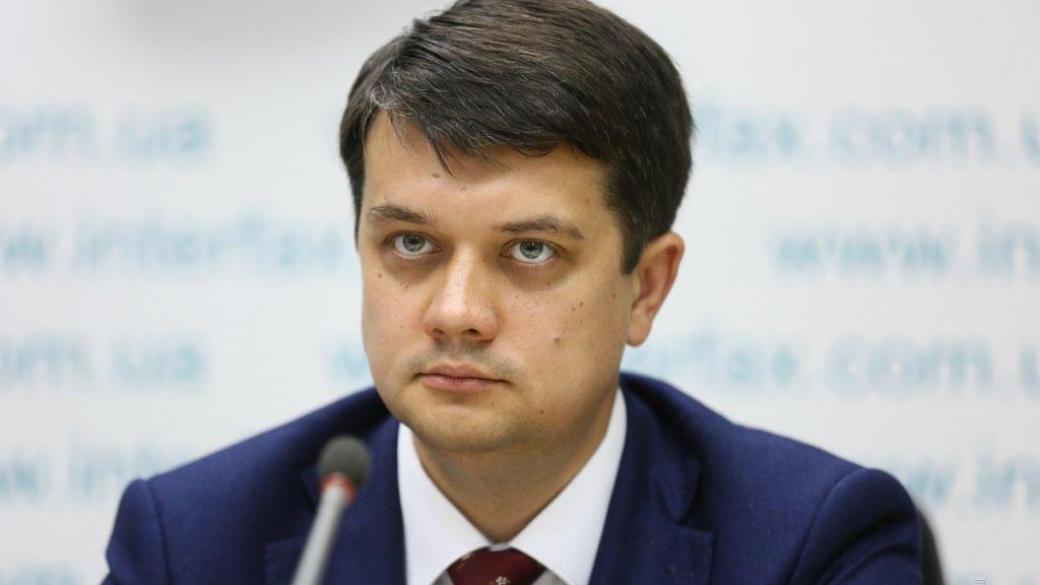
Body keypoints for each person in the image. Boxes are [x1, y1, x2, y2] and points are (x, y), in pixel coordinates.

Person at [102, 0, 924, 583]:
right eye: (411, 244)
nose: (456, 312)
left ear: (646, 286)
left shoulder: (808, 545)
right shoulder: (192, 545)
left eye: (531, 251)